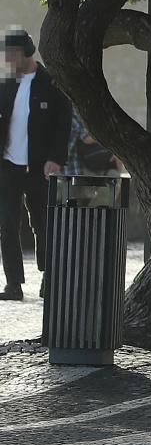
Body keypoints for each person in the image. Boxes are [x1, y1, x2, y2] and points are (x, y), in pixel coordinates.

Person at [1, 27, 75, 301]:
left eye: (12, 55)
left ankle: (49, 276)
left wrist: (55, 158)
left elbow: (62, 124)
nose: (8, 61)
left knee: (42, 225)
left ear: (25, 53)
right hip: (9, 166)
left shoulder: (51, 83)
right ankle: (13, 284)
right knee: (7, 225)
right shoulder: (6, 84)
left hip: (39, 167)